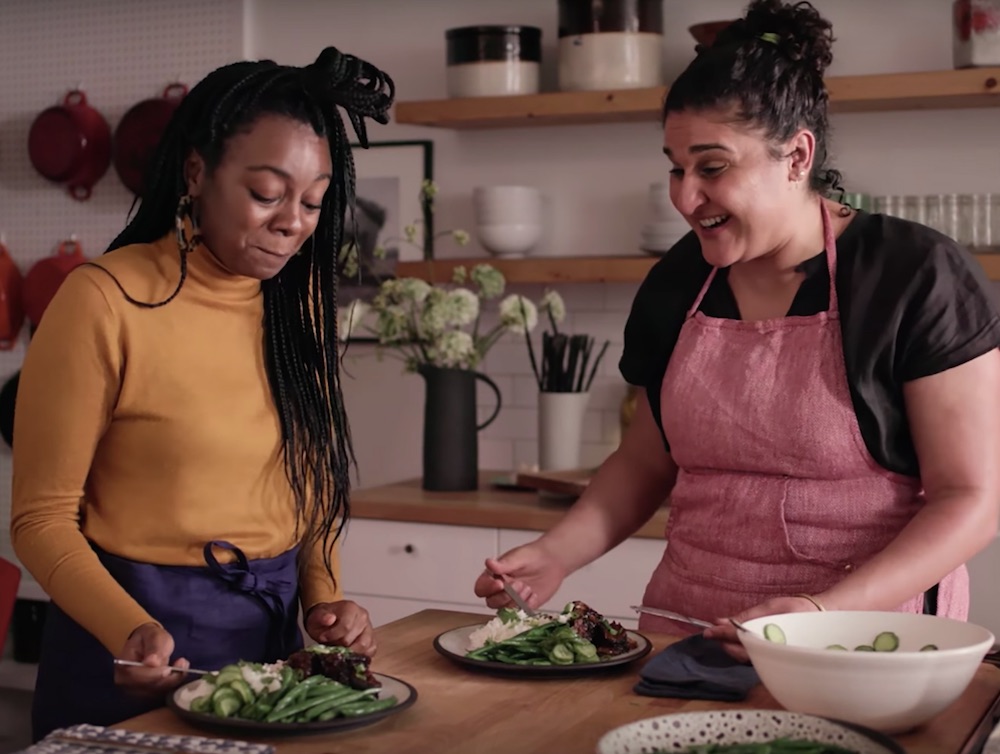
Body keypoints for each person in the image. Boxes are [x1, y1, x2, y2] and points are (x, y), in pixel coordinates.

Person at [475, 0, 1000, 662]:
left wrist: (818, 613)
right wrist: (556, 554)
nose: (684, 197)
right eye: (675, 167)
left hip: (863, 644)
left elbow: (971, 498)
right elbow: (644, 462)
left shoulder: (913, 276)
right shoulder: (678, 281)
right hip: (686, 634)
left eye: (712, 167)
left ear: (797, 156)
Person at [10, 46, 394, 740]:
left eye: (313, 201)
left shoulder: (297, 307)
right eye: (267, 193)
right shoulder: (104, 300)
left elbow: (308, 479)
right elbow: (40, 519)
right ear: (196, 172)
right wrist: (127, 629)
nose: (293, 222)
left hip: (271, 655)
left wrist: (325, 602)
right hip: (131, 651)